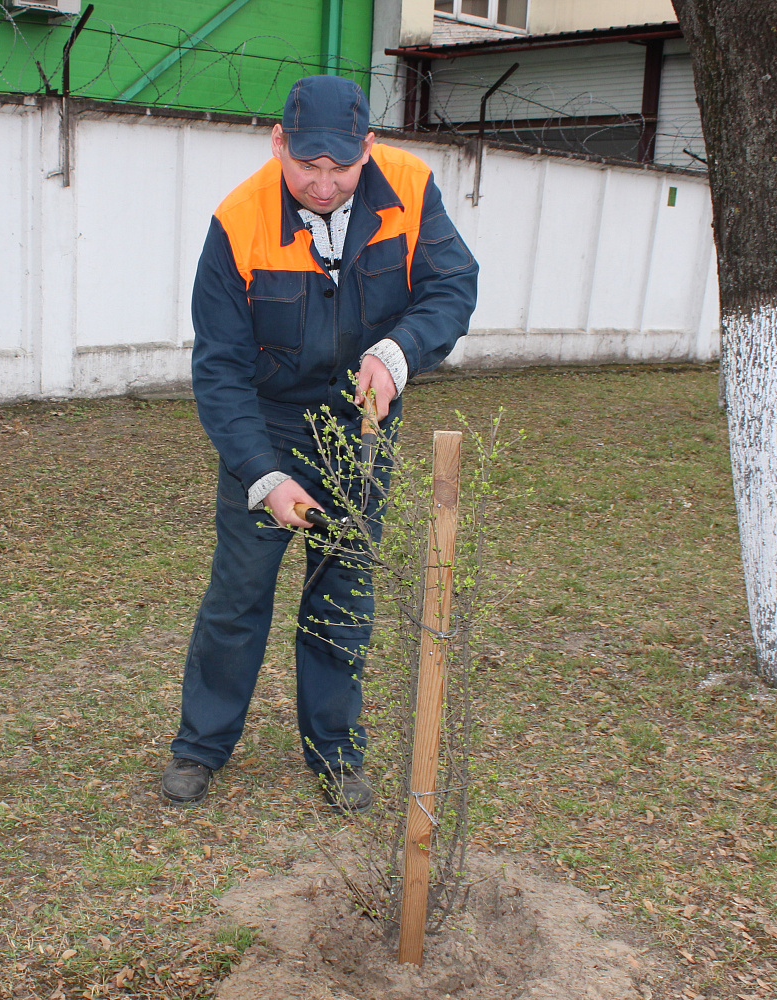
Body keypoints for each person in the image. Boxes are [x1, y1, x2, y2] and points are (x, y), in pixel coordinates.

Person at [160, 75, 479, 809]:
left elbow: (452, 285)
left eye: (341, 166)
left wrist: (397, 355)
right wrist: (263, 477)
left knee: (343, 596)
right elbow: (219, 369)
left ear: (368, 149)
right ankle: (200, 746)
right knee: (238, 596)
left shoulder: (410, 187)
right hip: (267, 426)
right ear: (279, 144)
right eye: (308, 165)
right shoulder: (237, 222)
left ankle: (336, 754)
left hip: (361, 423)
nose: (324, 183)